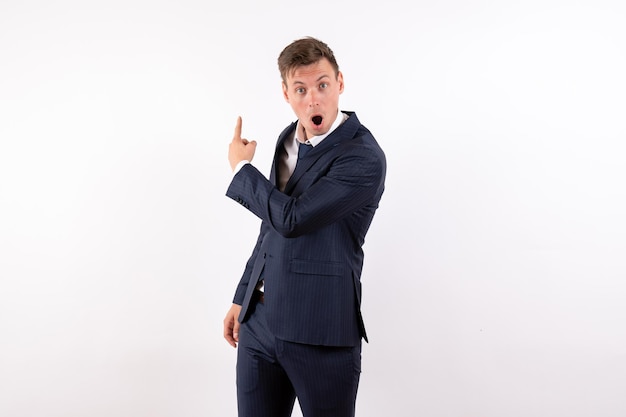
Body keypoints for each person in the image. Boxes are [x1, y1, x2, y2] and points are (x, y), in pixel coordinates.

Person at [223, 36, 386, 417]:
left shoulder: (363, 158)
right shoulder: (287, 139)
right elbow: (271, 225)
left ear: (340, 83)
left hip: (320, 329)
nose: (313, 99)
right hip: (260, 323)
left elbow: (292, 219)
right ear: (286, 93)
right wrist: (242, 296)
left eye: (322, 85)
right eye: (301, 89)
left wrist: (241, 169)